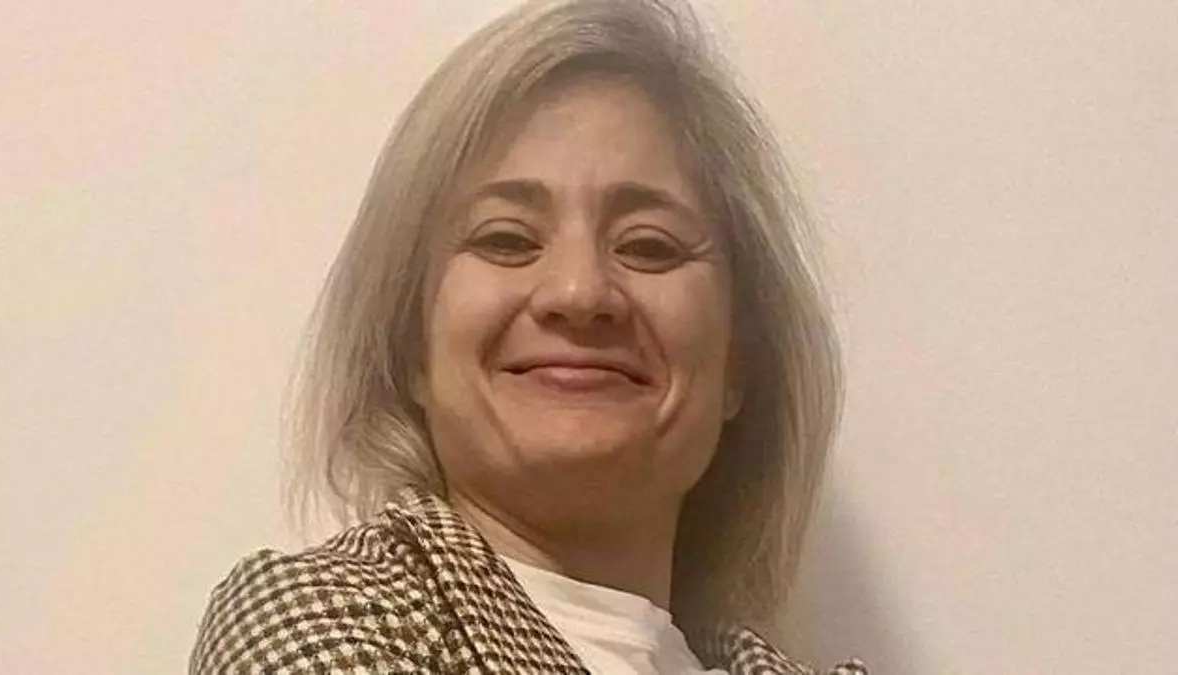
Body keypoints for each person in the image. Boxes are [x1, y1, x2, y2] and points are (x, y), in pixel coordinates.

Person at [190, 0, 867, 673]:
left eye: (648, 246)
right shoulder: (317, 620)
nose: (579, 293)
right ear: (411, 344)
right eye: (506, 239)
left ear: (739, 360)